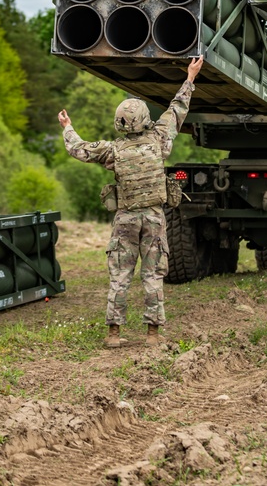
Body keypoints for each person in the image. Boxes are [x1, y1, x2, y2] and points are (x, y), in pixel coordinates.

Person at [58, 56, 204, 347]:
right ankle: (152, 334)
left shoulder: (112, 151)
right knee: (152, 275)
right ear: (144, 119)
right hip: (153, 217)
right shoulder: (159, 139)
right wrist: (190, 76)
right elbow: (177, 110)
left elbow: (79, 149)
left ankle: (114, 334)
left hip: (125, 219)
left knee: (120, 275)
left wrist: (67, 126)